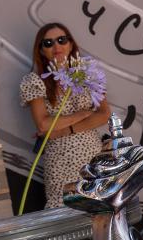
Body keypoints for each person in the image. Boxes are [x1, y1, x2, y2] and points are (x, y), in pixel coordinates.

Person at [20, 23, 111, 210]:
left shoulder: (87, 73)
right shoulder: (35, 80)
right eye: (48, 43)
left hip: (93, 157)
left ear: (71, 44)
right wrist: (83, 114)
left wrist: (66, 129)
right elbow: (44, 125)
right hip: (61, 162)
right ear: (41, 50)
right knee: (63, 210)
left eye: (62, 40)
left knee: (99, 211)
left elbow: (104, 114)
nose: (56, 46)